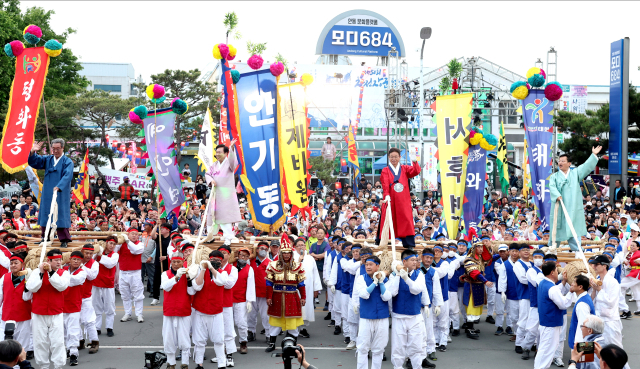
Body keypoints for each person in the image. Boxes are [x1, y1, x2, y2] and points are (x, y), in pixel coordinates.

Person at [549, 146, 602, 253]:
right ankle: (552, 248)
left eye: (563, 161)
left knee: (573, 229)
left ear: (569, 163)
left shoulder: (575, 173)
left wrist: (594, 155)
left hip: (572, 207)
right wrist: (557, 195)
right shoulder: (554, 176)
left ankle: (578, 251)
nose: (560, 162)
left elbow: (586, 166)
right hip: (559, 207)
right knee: (556, 227)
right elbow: (552, 187)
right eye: (559, 161)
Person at [25, 248, 70, 369]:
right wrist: (40, 273)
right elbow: (31, 287)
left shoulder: (64, 273)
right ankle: (43, 365)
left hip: (56, 312)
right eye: (55, 260)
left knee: (58, 341)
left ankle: (58, 365)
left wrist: (50, 273)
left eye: (60, 259)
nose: (59, 262)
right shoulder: (36, 272)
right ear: (48, 261)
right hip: (39, 312)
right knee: (40, 341)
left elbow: (61, 286)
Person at [386, 249, 429, 369]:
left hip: (415, 316)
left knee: (416, 347)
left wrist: (406, 279)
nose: (415, 262)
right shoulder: (395, 275)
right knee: (398, 348)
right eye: (412, 260)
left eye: (416, 260)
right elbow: (392, 293)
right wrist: (397, 275)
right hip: (398, 317)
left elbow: (416, 289)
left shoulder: (419, 274)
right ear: (404, 261)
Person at [28, 139, 74, 247]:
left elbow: (68, 176)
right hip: (48, 191)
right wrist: (32, 151)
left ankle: (64, 240)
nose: (56, 151)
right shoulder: (48, 159)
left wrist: (59, 186)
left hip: (60, 192)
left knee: (60, 213)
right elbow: (35, 161)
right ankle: (46, 238)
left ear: (63, 148)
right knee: (46, 213)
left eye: (58, 148)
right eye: (54, 149)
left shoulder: (68, 162)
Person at [265, 234, 306, 352]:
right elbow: (269, 283)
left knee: (292, 321)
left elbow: (301, 284)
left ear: (291, 253)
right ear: (281, 254)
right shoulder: (272, 265)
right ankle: (272, 343)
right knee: (275, 322)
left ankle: (293, 344)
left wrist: (303, 297)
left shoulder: (298, 266)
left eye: (289, 252)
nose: (287, 255)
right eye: (284, 253)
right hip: (276, 296)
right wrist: (268, 297)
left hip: (292, 296)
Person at [352, 255, 391, 369]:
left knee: (379, 348)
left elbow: (387, 297)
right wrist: (374, 283)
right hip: (366, 317)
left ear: (377, 266)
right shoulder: (361, 278)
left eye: (370, 265)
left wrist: (381, 282)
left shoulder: (386, 279)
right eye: (366, 265)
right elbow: (364, 294)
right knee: (363, 347)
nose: (368, 267)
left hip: (382, 317)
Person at [378, 148, 421, 249]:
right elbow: (385, 183)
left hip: (403, 200)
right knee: (388, 218)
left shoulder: (405, 168)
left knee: (406, 219)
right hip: (391, 199)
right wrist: (387, 194)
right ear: (389, 158)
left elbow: (416, 171)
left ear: (399, 157)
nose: (393, 159)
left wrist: (414, 161)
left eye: (396, 157)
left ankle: (409, 244)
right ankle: (384, 242)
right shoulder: (385, 170)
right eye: (391, 157)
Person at [193, 251, 227, 369]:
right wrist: (203, 269)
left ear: (222, 262)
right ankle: (199, 363)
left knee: (218, 339)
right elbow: (197, 286)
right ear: (209, 259)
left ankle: (222, 364)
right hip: (200, 311)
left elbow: (221, 281)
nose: (216, 262)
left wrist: (212, 268)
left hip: (216, 312)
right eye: (213, 260)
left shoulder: (224, 273)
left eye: (218, 260)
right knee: (199, 340)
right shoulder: (199, 270)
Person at [534, 261, 572, 369]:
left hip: (546, 322)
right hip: (551, 324)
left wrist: (563, 282)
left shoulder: (543, 283)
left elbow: (554, 292)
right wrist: (571, 292)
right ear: (552, 272)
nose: (557, 272)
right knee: (547, 351)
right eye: (556, 270)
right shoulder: (552, 287)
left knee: (545, 350)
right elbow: (563, 304)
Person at [160, 253, 195, 369]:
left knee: (184, 337)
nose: (175, 264)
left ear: (182, 263)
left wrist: (189, 278)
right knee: (168, 337)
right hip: (169, 310)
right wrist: (176, 278)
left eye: (178, 262)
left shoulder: (188, 274)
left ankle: (185, 363)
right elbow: (166, 287)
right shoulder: (165, 274)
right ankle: (171, 363)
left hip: (183, 310)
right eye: (173, 262)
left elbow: (192, 292)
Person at [205, 140, 242, 245]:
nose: (217, 154)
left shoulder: (229, 164)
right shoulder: (214, 165)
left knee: (225, 217)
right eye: (216, 152)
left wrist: (232, 148)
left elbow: (233, 160)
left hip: (226, 196)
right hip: (215, 194)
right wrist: (211, 181)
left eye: (219, 152)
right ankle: (210, 236)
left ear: (226, 153)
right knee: (211, 216)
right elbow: (207, 174)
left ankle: (228, 238)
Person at [0, 251, 33, 360]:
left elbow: (27, 297)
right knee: (5, 343)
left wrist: (28, 281)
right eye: (11, 263)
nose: (13, 265)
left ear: (22, 265)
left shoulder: (28, 277)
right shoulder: (5, 277)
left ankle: (19, 365)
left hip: (23, 315)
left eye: (16, 263)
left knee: (22, 344)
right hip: (7, 315)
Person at [588, 255, 624, 349]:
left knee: (614, 350)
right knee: (597, 350)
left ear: (604, 266)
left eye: (597, 264)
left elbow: (611, 302)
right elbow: (591, 301)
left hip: (610, 321)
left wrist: (599, 289)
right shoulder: (597, 280)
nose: (594, 267)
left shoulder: (613, 282)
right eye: (593, 264)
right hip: (597, 320)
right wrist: (595, 290)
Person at [461, 238, 494, 339]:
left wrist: (501, 254)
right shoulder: (469, 260)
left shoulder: (479, 258)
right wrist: (486, 281)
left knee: (476, 307)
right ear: (474, 248)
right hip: (471, 286)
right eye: (479, 247)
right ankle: (469, 328)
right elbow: (474, 272)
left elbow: (489, 260)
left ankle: (470, 327)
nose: (481, 249)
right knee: (471, 308)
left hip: (478, 285)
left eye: (482, 246)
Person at [62, 251, 87, 366]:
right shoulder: (63, 270)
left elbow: (74, 281)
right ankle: (67, 349)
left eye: (78, 260)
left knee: (73, 330)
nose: (76, 261)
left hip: (74, 304)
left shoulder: (82, 272)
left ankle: (73, 353)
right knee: (63, 330)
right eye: (74, 259)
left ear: (81, 262)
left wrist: (60, 276)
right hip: (61, 305)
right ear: (70, 260)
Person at [294, 239, 322, 339]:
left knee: (306, 307)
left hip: (308, 288)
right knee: (295, 307)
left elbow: (315, 274)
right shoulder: (292, 257)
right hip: (295, 288)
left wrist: (316, 289)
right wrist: (299, 260)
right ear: (295, 247)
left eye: (303, 245)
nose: (301, 247)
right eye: (299, 245)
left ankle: (303, 328)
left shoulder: (310, 258)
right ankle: (293, 329)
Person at [92, 235, 119, 337]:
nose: (112, 246)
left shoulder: (115, 255)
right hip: (97, 282)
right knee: (96, 306)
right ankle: (97, 327)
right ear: (106, 243)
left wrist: (99, 255)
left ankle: (109, 327)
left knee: (109, 306)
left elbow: (110, 264)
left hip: (108, 283)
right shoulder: (98, 252)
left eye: (114, 244)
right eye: (110, 243)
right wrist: (98, 252)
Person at [419, 248, 442, 366]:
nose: (428, 260)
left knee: (429, 328)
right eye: (426, 257)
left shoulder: (434, 272)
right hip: (416, 305)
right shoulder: (416, 269)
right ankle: (418, 352)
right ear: (422, 257)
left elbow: (437, 290)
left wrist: (437, 305)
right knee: (418, 330)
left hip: (428, 305)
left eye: (430, 258)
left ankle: (431, 350)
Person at [117, 228, 145, 323]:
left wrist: (128, 241)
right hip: (123, 272)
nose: (134, 235)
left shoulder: (140, 244)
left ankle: (139, 314)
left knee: (138, 294)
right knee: (125, 295)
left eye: (136, 234)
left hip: (135, 272)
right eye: (132, 234)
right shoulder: (121, 244)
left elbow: (135, 250)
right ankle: (127, 313)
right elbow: (113, 248)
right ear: (128, 235)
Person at [231, 247, 256, 355]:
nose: (243, 257)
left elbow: (250, 285)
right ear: (238, 255)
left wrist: (249, 301)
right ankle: (229, 344)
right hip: (228, 299)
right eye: (242, 255)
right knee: (228, 323)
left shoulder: (249, 269)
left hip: (241, 299)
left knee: (241, 323)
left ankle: (243, 342)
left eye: (246, 256)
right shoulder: (231, 266)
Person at [247, 241, 271, 344]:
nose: (263, 251)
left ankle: (269, 335)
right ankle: (251, 332)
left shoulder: (270, 263)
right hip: (251, 292)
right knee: (250, 314)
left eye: (265, 249)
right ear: (257, 250)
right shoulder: (250, 261)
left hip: (264, 294)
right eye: (261, 248)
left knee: (266, 315)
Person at [79, 244, 100, 354]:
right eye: (86, 253)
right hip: (74, 296)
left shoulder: (95, 264)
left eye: (91, 253)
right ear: (82, 251)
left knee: (89, 320)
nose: (88, 255)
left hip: (86, 296)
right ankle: (79, 341)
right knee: (75, 321)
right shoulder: (76, 260)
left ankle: (94, 341)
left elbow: (92, 276)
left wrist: (81, 266)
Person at [619, 240, 640, 316]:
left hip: (636, 273)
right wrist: (625, 262)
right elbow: (628, 265)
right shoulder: (630, 253)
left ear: (638, 247)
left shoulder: (638, 253)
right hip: (633, 272)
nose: (631, 247)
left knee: (620, 286)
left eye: (633, 245)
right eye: (631, 245)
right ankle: (639, 309)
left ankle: (625, 310)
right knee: (636, 290)